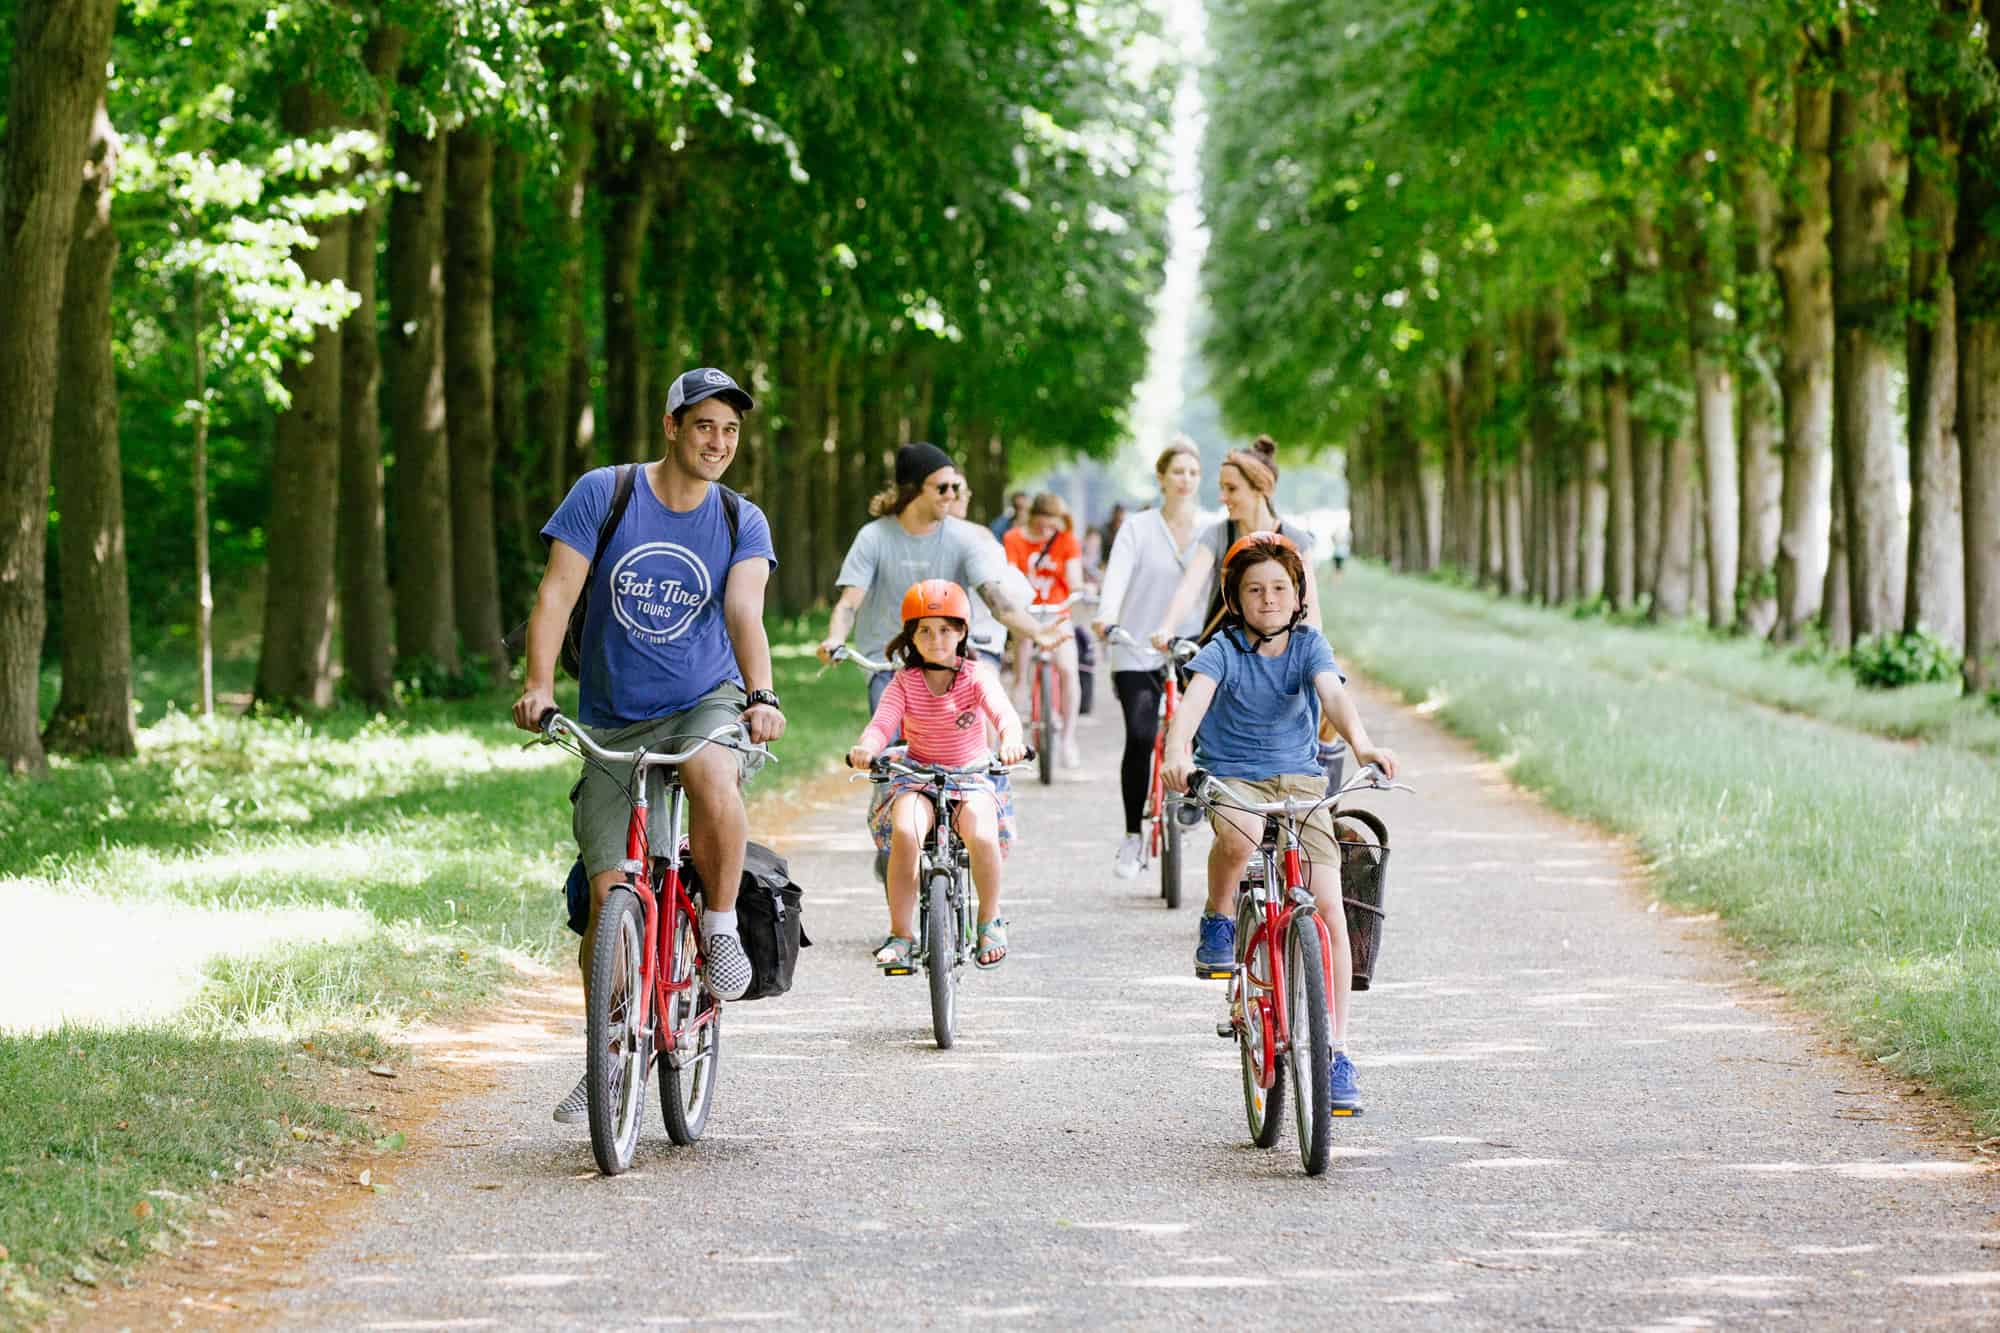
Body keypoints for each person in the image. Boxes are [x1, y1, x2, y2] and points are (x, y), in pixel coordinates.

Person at [512, 366, 785, 1125]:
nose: (718, 442)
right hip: (613, 719)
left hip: (706, 699)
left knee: (708, 768)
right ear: (672, 425)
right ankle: (606, 1053)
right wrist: (539, 684)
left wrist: (760, 696)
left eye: (730, 431)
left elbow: (743, 610)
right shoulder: (606, 492)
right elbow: (557, 593)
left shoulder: (740, 518)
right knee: (607, 902)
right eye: (704, 426)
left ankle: (721, 925)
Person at [1162, 531, 1398, 1111]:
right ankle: (1219, 918)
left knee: (1329, 908)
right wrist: (1176, 752)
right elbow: (1191, 707)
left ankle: (1337, 1051)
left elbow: (1333, 698)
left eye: (1279, 588)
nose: (1268, 599)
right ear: (1235, 599)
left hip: (1300, 782)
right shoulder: (1220, 651)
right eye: (1254, 590)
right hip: (1235, 777)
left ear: (1298, 596)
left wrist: (1363, 746)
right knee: (1239, 832)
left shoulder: (1310, 646)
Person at [847, 581, 1027, 970]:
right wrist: (867, 749)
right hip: (918, 777)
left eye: (946, 629)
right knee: (907, 834)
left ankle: (989, 919)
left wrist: (1012, 740)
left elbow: (1004, 715)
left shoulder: (976, 676)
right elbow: (881, 725)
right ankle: (901, 934)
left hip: (969, 777)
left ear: (962, 631)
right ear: (910, 635)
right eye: (924, 630)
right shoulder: (905, 682)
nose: (936, 639)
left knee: (981, 833)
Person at [820, 443, 1062, 707]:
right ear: (912, 490)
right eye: (943, 488)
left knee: (964, 741)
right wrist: (835, 638)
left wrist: (1038, 632)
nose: (952, 495)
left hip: (945, 658)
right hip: (888, 661)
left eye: (955, 488)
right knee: (883, 740)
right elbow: (848, 604)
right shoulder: (873, 537)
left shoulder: (965, 538)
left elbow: (997, 602)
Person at [1093, 438, 1204, 879]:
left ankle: (1192, 794)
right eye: (1178, 472)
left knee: (1205, 728)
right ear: (1161, 478)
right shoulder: (1137, 528)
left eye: (1194, 473)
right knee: (1140, 736)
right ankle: (1132, 836)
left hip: (1193, 645)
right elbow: (1116, 577)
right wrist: (1106, 617)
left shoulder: (1210, 528)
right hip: (1136, 647)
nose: (1186, 480)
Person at [1150, 434, 1320, 648]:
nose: (1222, 497)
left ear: (1260, 489)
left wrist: (1314, 658)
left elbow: (1309, 608)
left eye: (1231, 489)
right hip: (1222, 657)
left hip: (1276, 657)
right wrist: (1168, 627)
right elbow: (1190, 587)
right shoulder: (1217, 534)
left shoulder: (1294, 539)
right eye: (1222, 488)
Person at [1003, 492, 1086, 769]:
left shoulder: (1066, 540)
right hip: (1026, 613)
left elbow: (1073, 577)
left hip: (1057, 612)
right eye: (1044, 522)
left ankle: (1068, 739)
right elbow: (1010, 574)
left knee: (1068, 669)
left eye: (1054, 523)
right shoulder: (1014, 538)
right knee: (1022, 659)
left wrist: (1080, 590)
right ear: (1033, 515)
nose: (1048, 529)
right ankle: (1015, 718)